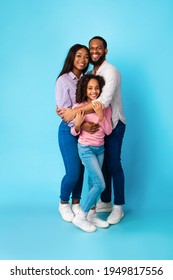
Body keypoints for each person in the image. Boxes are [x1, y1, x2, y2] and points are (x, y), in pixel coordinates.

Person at [58, 36, 126, 225]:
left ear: (105, 50)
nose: (94, 52)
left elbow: (101, 103)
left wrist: (74, 112)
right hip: (89, 139)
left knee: (113, 165)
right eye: (91, 49)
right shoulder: (91, 72)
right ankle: (97, 204)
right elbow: (72, 112)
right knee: (94, 170)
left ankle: (117, 206)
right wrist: (76, 120)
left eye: (98, 48)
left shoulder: (110, 71)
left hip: (114, 123)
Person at [71, 74, 112, 232]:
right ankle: (81, 216)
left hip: (100, 149)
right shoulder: (79, 107)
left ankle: (92, 215)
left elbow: (108, 131)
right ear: (84, 89)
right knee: (100, 184)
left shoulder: (105, 107)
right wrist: (78, 125)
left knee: (92, 183)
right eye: (90, 88)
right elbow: (74, 132)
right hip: (86, 149)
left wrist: (101, 116)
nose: (94, 91)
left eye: (96, 88)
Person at [55, 44, 90, 222]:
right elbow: (65, 113)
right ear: (72, 57)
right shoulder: (63, 80)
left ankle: (76, 203)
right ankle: (63, 203)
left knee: (82, 168)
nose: (82, 60)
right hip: (68, 131)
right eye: (78, 56)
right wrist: (82, 126)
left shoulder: (88, 79)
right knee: (73, 172)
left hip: (85, 131)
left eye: (85, 57)